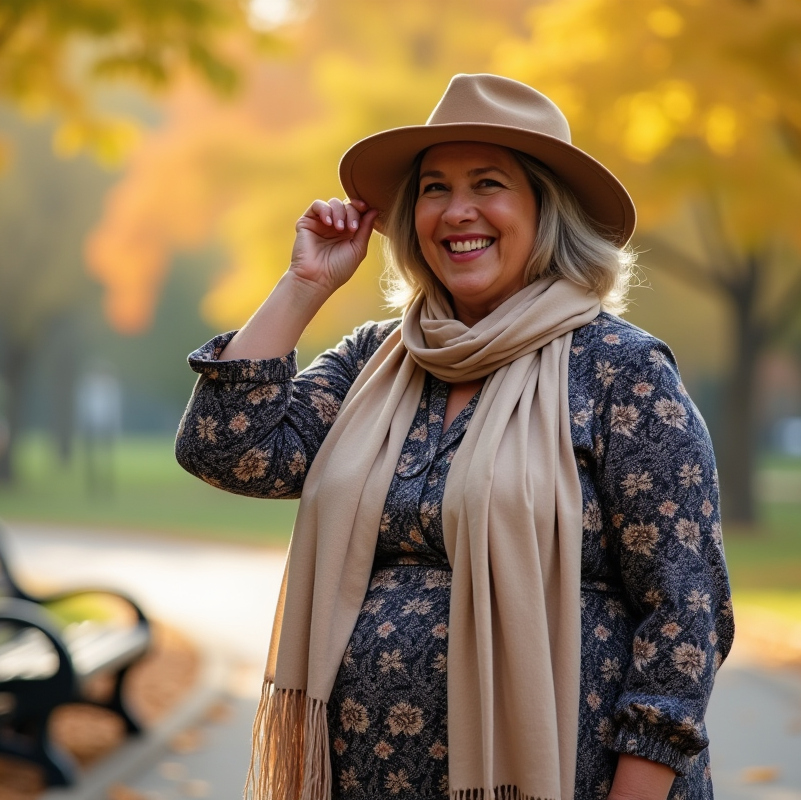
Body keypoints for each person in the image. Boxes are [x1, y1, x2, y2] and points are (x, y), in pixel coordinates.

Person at [175, 74, 733, 800]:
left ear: (546, 211)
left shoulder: (621, 371)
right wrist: (304, 286)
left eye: (488, 184)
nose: (456, 210)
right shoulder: (376, 359)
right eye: (434, 188)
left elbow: (686, 615)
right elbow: (226, 449)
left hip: (569, 780)